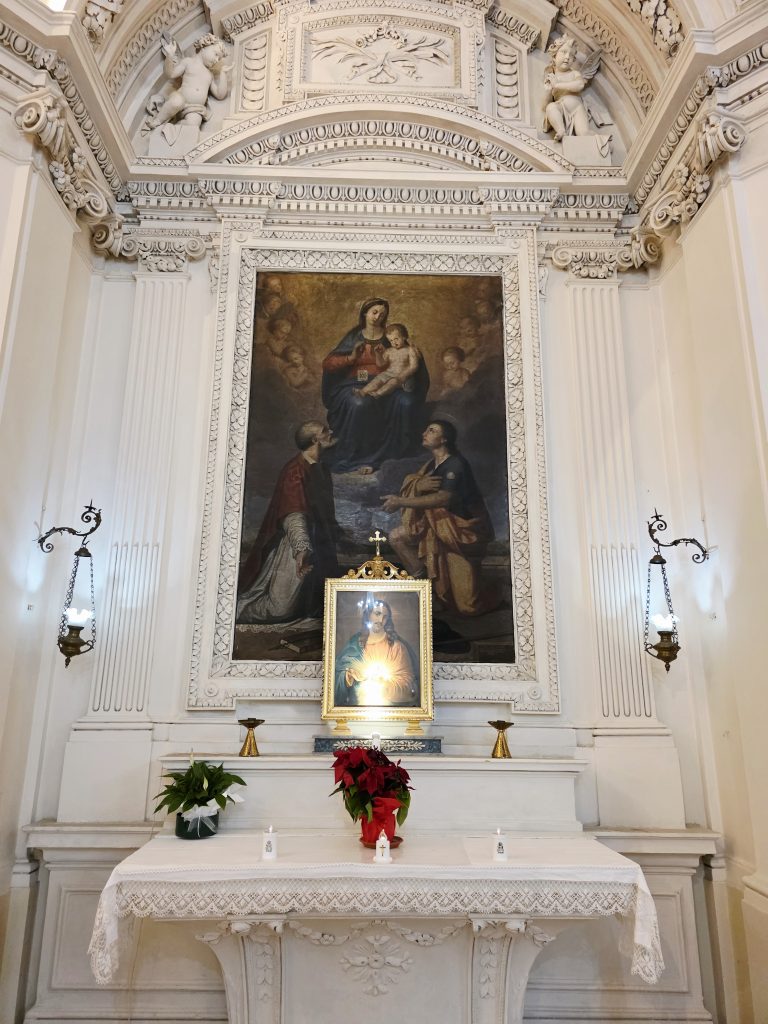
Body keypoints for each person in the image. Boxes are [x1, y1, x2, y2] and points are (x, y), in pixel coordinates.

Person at [382, 420, 495, 616]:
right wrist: (417, 486)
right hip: (435, 526)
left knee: (467, 606)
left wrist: (400, 501)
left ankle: (494, 590)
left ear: (444, 439)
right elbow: (417, 485)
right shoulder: (430, 466)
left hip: (458, 532)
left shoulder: (456, 464)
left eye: (431, 430)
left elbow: (444, 498)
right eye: (426, 429)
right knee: (397, 537)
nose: (424, 433)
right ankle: (424, 588)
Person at [237, 421, 339, 623]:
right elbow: (294, 516)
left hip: (320, 541)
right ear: (315, 440)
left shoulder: (321, 469)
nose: (331, 432)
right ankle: (241, 611)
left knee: (322, 602)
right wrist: (301, 549)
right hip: (294, 543)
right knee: (280, 609)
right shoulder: (294, 471)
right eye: (325, 431)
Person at [321, 298, 429, 473]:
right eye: (375, 312)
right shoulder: (354, 337)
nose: (378, 317)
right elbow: (328, 363)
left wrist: (414, 354)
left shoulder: (390, 336)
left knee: (406, 402)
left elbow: (407, 357)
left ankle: (394, 454)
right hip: (354, 382)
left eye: (382, 314)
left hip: (388, 382)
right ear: (365, 312)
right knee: (360, 403)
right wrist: (350, 358)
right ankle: (359, 457)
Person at [334, 597, 419, 707]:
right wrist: (348, 677)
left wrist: (383, 684)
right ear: (368, 615)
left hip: (390, 709)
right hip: (357, 709)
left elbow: (409, 685)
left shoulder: (397, 647)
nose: (380, 620)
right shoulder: (354, 644)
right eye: (377, 614)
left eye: (385, 617)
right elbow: (336, 676)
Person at [358, 323, 421, 398]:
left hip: (403, 378)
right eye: (391, 340)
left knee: (393, 381)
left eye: (396, 339)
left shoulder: (410, 350)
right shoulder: (389, 351)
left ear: (404, 337)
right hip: (389, 374)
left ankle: (377, 394)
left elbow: (414, 366)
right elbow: (380, 365)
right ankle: (363, 392)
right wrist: (378, 354)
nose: (394, 342)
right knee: (378, 378)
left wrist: (402, 376)